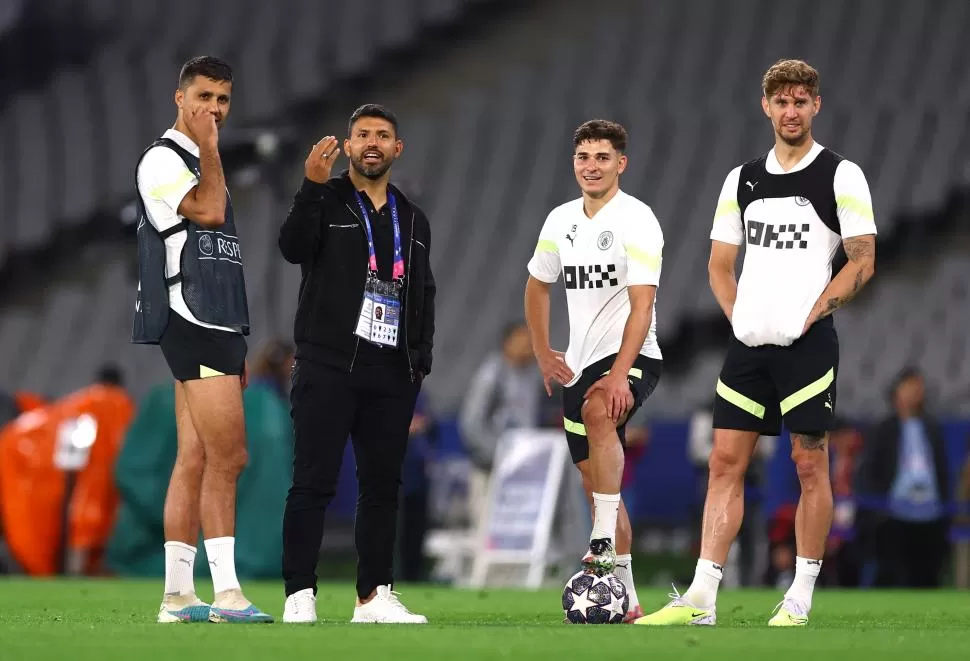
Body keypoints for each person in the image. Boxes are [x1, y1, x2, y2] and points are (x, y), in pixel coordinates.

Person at [637, 59, 877, 627]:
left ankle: (799, 595)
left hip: (807, 347)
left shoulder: (841, 175)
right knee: (724, 463)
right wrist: (738, 314)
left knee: (808, 463)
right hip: (748, 348)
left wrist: (811, 314)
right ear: (765, 107)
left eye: (801, 101)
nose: (790, 111)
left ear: (816, 106)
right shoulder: (742, 178)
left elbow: (862, 258)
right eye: (781, 102)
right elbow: (719, 265)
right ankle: (701, 598)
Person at [278, 104, 435, 624]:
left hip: (390, 371)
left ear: (398, 148)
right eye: (362, 134)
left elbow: (423, 293)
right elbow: (292, 248)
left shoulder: (412, 217)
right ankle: (300, 593)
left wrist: (419, 365)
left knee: (382, 488)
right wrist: (309, 186)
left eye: (383, 135)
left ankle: (374, 596)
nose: (372, 142)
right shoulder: (324, 199)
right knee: (313, 482)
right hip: (327, 363)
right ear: (348, 146)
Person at [132, 56, 271, 624]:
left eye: (224, 101)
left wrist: (238, 331)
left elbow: (220, 255)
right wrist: (212, 148)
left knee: (194, 456)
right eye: (205, 98)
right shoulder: (165, 160)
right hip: (191, 317)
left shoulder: (192, 159)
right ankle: (229, 593)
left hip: (215, 319)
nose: (215, 110)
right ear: (180, 98)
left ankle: (177, 596)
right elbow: (209, 214)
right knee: (230, 456)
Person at [525, 119, 664, 623]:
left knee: (599, 410)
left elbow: (642, 307)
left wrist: (622, 374)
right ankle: (627, 598)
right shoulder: (559, 220)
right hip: (578, 361)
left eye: (602, 157)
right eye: (584, 157)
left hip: (633, 354)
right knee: (596, 487)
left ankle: (601, 541)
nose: (592, 166)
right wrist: (543, 350)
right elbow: (537, 286)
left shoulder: (639, 220)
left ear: (621, 164)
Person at [855, 367, 950, 587]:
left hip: (930, 514)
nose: (915, 392)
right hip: (895, 514)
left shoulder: (932, 428)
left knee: (928, 578)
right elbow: (870, 471)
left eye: (919, 387)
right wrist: (879, 508)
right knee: (894, 576)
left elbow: (942, 469)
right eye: (909, 387)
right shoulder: (884, 429)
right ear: (897, 392)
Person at [459, 321, 543, 529]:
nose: (530, 346)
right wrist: (498, 455)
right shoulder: (493, 373)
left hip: (521, 468)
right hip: (490, 469)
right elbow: (471, 423)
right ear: (508, 343)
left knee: (516, 534)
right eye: (524, 340)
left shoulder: (533, 376)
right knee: (487, 533)